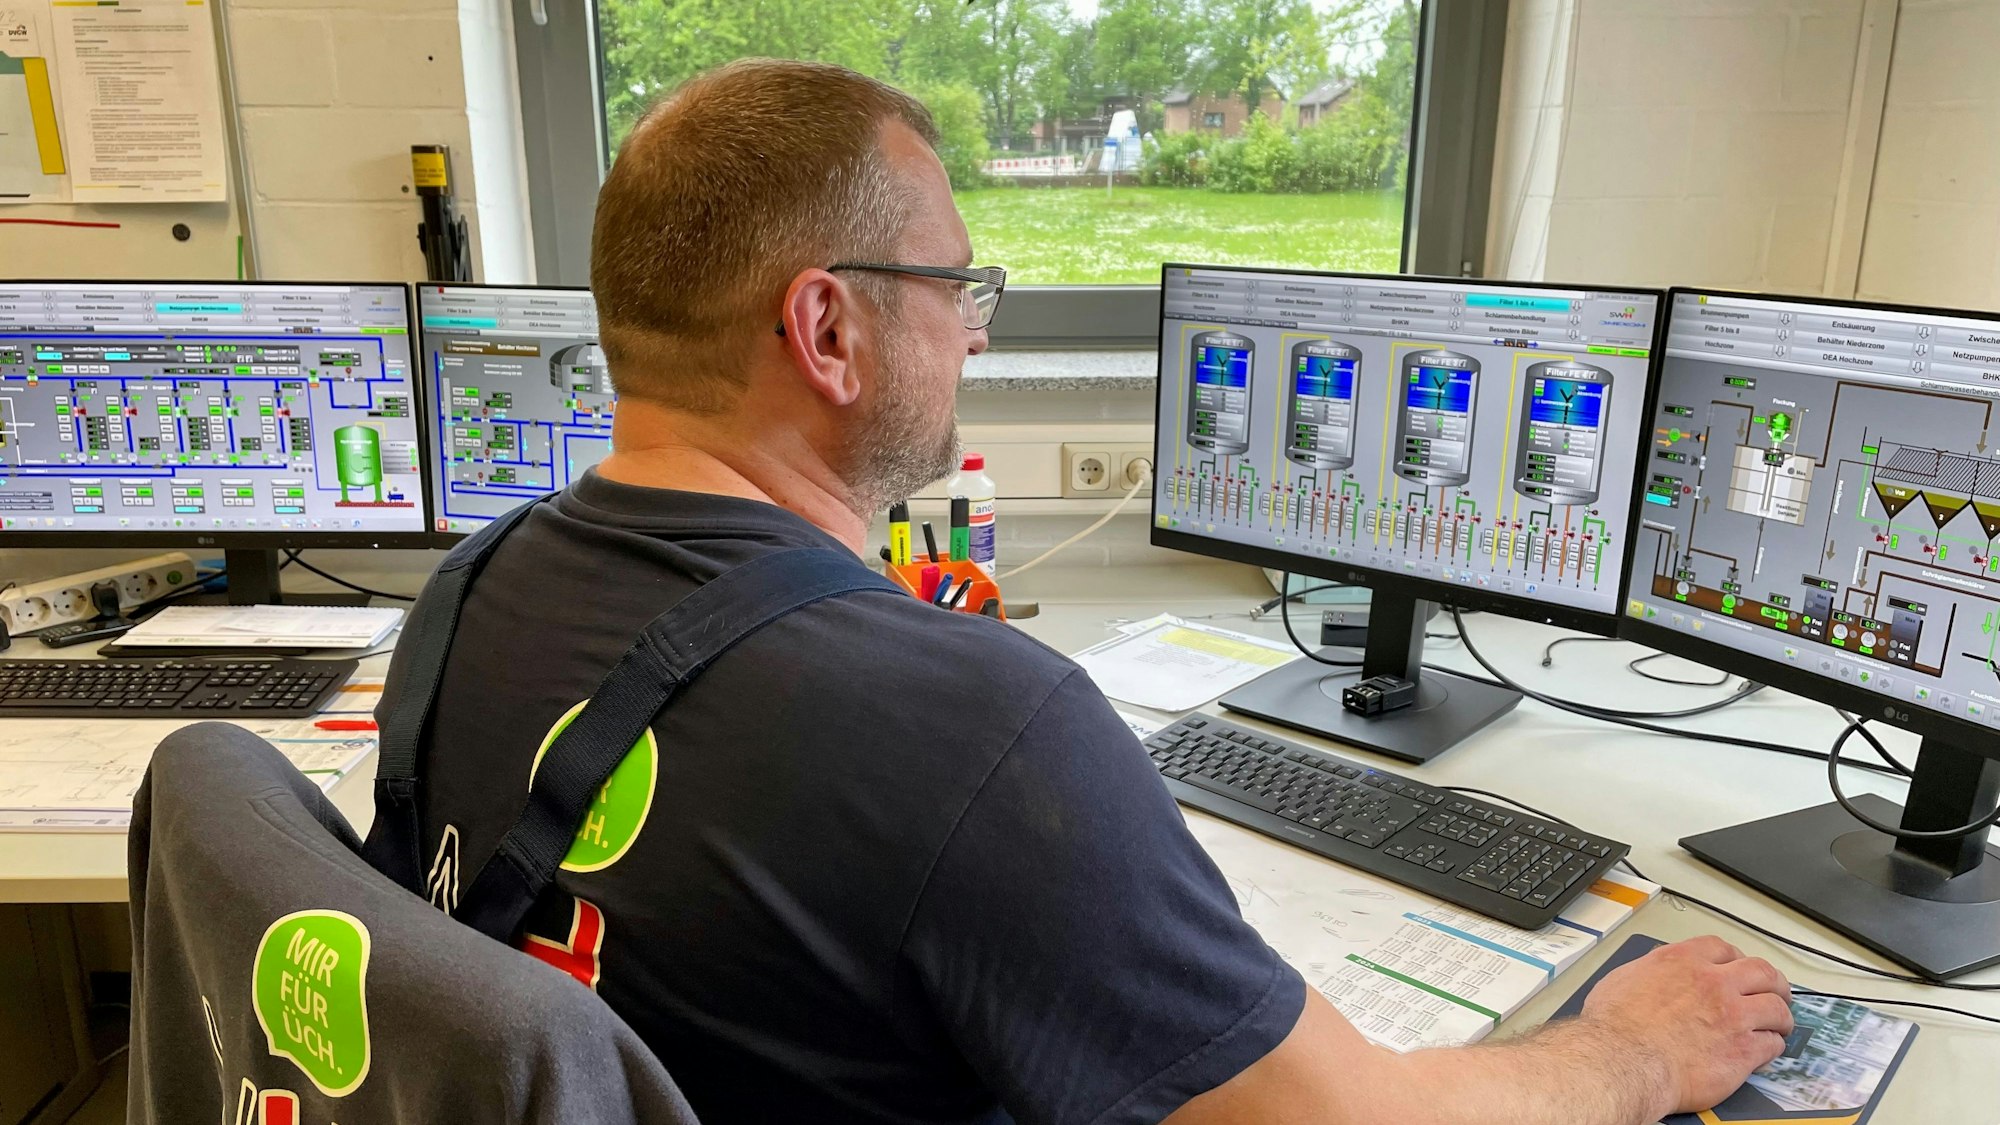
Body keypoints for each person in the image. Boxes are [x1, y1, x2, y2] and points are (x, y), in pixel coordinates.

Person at [393, 58, 1794, 1125]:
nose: (978, 330)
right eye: (957, 284)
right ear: (828, 328)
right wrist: (1641, 1046)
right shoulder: (968, 726)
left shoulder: (464, 599)